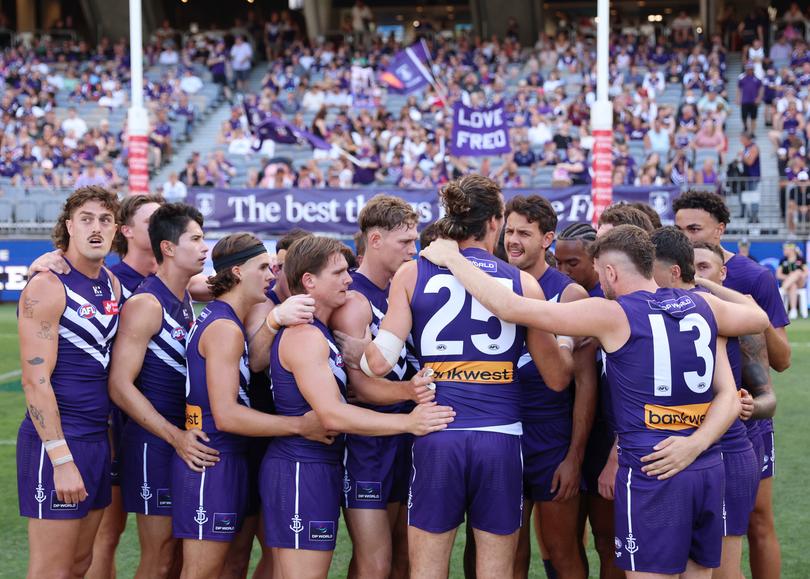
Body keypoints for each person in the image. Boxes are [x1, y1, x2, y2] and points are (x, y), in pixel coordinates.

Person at [419, 224, 771, 577]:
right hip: (704, 464)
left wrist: (453, 259)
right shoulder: (703, 304)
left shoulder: (611, 313)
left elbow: (509, 307)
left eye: (601, 273)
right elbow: (759, 316)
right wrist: (701, 284)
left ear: (611, 272)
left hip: (654, 466)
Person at [362, 175, 573, 579]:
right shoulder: (523, 283)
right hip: (500, 438)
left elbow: (379, 362)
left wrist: (360, 350)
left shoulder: (412, 274)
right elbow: (557, 378)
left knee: (426, 571)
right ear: (494, 223)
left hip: (438, 433)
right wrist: (565, 344)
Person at [260, 235, 455, 579]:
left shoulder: (317, 329)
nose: (349, 279)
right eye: (338, 273)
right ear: (309, 281)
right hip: (300, 466)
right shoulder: (304, 335)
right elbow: (332, 414)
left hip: (315, 465)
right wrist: (409, 423)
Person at [171, 232, 332, 579]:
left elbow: (254, 363)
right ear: (239, 272)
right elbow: (227, 415)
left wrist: (273, 322)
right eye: (263, 267)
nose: (272, 275)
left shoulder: (222, 315)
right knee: (200, 573)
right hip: (213, 457)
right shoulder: (225, 327)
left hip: (223, 457)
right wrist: (300, 426)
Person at [673, 190, 791, 579]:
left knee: (756, 518)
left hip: (745, 421)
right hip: (691, 420)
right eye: (679, 229)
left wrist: (746, 313)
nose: (686, 237)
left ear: (720, 229)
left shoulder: (752, 276)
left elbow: (782, 360)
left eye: (695, 228)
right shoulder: (672, 273)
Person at [17, 186, 122, 577]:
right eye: (86, 219)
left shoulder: (111, 283)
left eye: (105, 220)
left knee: (80, 564)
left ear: (116, 230)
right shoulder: (47, 284)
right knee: (51, 570)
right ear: (69, 227)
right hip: (58, 444)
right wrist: (61, 460)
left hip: (96, 440)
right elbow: (34, 381)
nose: (96, 228)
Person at [107, 204, 212, 578]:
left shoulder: (183, 296)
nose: (205, 247)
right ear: (168, 248)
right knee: (160, 557)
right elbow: (119, 386)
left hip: (183, 440)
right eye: (195, 239)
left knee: (181, 556)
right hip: (154, 443)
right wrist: (174, 436)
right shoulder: (146, 304)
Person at [650, 227, 761, 579]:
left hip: (722, 448)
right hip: (681, 447)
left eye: (706, 266)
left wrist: (703, 284)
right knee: (683, 564)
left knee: (722, 572)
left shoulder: (710, 307)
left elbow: (757, 315)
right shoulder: (653, 307)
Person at [500, 195, 593, 579]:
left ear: (547, 238)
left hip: (550, 438)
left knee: (560, 548)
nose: (514, 240)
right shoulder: (491, 285)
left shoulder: (570, 295)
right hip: (502, 431)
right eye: (509, 231)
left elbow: (586, 387)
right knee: (506, 550)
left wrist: (574, 457)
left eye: (525, 232)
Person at [329, 195, 421, 579]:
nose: (413, 250)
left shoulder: (406, 288)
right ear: (376, 240)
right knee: (375, 564)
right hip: (369, 443)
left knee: (404, 558)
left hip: (406, 437)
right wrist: (417, 393)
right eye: (405, 242)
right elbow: (363, 390)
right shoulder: (355, 301)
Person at [776, 243, 807, 320]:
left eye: (785, 249)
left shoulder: (800, 259)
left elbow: (806, 272)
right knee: (793, 285)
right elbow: (778, 275)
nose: (783, 250)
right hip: (789, 284)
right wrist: (790, 277)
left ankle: (782, 290)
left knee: (798, 272)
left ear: (791, 250)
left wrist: (796, 275)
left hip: (800, 282)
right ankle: (793, 310)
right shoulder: (783, 260)